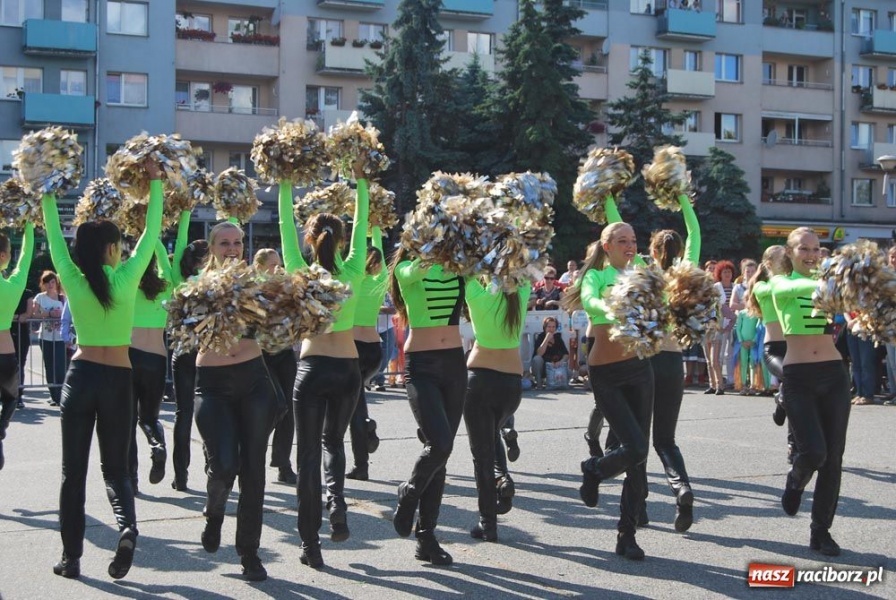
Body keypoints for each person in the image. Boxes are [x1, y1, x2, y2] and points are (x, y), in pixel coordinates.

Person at [44, 158, 163, 580]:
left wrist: (47, 190)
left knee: (71, 473)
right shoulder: (128, 276)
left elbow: (55, 240)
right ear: (113, 249)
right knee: (116, 469)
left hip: (80, 378)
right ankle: (128, 527)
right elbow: (151, 234)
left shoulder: (73, 279)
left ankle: (71, 558)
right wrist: (154, 183)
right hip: (119, 379)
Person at [278, 162, 369, 569]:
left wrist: (284, 182)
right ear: (344, 239)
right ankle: (337, 501)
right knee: (335, 443)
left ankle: (310, 544)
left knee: (308, 453)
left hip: (312, 368)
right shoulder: (352, 269)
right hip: (348, 368)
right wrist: (362, 181)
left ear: (310, 239)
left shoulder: (302, 269)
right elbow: (364, 219)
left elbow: (283, 224)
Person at [566, 195, 653, 561]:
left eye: (634, 241)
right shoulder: (596, 276)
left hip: (640, 368)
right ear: (606, 247)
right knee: (633, 447)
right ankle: (594, 468)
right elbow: (590, 301)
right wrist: (613, 306)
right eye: (623, 241)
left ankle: (626, 535)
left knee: (639, 457)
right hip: (606, 373)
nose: (631, 247)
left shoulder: (641, 271)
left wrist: (611, 195)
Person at [194, 221, 279, 581]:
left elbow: (277, 327)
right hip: (213, 385)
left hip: (253, 380)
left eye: (238, 242)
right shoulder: (197, 287)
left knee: (254, 472)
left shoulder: (256, 285)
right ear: (212, 248)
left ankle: (249, 552)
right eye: (224, 242)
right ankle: (214, 512)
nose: (232, 248)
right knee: (225, 465)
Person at [770, 227, 851, 557]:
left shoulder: (830, 285)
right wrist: (840, 278)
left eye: (816, 249)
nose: (812, 254)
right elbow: (805, 286)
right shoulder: (781, 283)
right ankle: (795, 481)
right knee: (813, 452)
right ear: (789, 253)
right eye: (804, 248)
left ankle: (821, 532)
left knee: (832, 460)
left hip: (834, 375)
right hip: (798, 377)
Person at [390, 245, 467, 567]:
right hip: (421, 367)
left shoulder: (459, 267)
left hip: (454, 364)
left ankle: (426, 537)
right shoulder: (406, 269)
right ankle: (409, 493)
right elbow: (418, 267)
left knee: (442, 453)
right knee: (439, 443)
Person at [462, 278, 530, 542]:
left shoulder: (475, 290)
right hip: (512, 384)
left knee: (482, 455)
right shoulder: (521, 292)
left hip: (479, 379)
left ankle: (487, 522)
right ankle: (502, 477)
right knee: (492, 435)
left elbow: (464, 268)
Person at [129, 244, 176, 493]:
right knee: (149, 418)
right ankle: (157, 443)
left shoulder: (128, 285)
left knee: (127, 422)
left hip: (130, 356)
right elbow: (165, 262)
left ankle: (131, 479)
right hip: (157, 359)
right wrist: (154, 240)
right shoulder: (166, 283)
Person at [253, 248, 298, 485]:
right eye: (273, 265)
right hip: (262, 354)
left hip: (285, 353)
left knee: (287, 409)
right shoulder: (252, 290)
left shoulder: (286, 288)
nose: (278, 269)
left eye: (280, 264)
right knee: (277, 404)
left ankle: (283, 464)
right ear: (260, 267)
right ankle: (252, 449)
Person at [346, 234, 388, 482]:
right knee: (357, 399)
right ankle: (366, 428)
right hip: (375, 349)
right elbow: (379, 251)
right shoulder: (381, 279)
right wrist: (376, 226)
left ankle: (361, 464)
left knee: (354, 409)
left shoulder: (354, 280)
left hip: (353, 348)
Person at [746, 245, 793, 461]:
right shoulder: (762, 286)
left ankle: (793, 444)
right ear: (768, 264)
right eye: (780, 258)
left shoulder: (790, 282)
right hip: (773, 350)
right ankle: (781, 397)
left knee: (797, 394)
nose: (786, 259)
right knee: (792, 381)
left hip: (794, 347)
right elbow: (775, 289)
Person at [169, 234, 208, 491]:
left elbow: (175, 243)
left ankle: (180, 476)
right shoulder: (212, 284)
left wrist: (184, 212)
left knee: (183, 414)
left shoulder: (178, 281)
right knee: (209, 413)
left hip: (182, 351)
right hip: (206, 353)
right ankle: (212, 468)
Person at [0, 223, 35, 469]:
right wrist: (30, 225)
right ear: (2, 257)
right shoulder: (12, 287)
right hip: (6, 354)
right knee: (11, 398)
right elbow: (27, 255)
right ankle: (1, 430)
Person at [32, 271, 66, 407]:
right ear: (43, 284)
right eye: (47, 282)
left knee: (61, 367)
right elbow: (34, 314)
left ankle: (62, 395)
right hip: (45, 337)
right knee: (50, 366)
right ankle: (54, 395)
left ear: (56, 283)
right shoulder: (40, 297)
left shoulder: (63, 298)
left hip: (60, 337)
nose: (50, 285)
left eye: (53, 282)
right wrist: (49, 313)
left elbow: (70, 314)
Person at [705, 260, 736, 395]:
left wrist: (726, 328)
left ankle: (720, 385)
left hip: (716, 330)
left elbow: (732, 316)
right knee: (708, 360)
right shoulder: (699, 300)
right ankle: (712, 385)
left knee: (715, 359)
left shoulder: (718, 301)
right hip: (704, 331)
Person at [530, 316, 569, 389]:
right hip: (543, 368)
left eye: (553, 327)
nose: (551, 329)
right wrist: (546, 339)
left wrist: (561, 361)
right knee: (537, 359)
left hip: (555, 367)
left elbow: (566, 354)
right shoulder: (540, 337)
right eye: (549, 327)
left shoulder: (558, 338)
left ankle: (560, 384)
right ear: (545, 327)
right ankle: (539, 384)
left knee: (569, 372)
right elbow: (539, 354)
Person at [885, 245, 896, 405]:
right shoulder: (884, 277)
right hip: (887, 326)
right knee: (892, 362)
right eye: (892, 256)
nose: (893, 260)